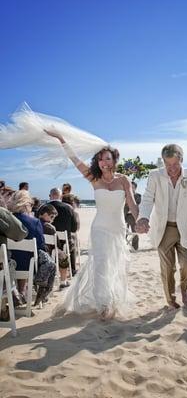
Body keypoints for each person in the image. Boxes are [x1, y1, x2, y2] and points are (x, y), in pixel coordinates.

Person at [45, 129, 138, 320]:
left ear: (114, 160)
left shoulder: (124, 180)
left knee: (115, 264)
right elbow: (75, 160)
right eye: (101, 159)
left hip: (118, 228)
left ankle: (112, 298)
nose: (104, 162)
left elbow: (131, 203)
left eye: (107, 159)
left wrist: (140, 220)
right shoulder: (93, 178)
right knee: (101, 264)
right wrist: (62, 139)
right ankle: (103, 305)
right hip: (100, 228)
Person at [136, 144, 187, 308]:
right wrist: (143, 218)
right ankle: (170, 299)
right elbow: (148, 199)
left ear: (181, 160)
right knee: (167, 267)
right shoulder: (155, 176)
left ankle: (184, 288)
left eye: (175, 164)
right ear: (163, 162)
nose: (171, 169)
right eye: (167, 164)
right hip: (163, 229)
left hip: (184, 228)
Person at [8, 190, 46, 299]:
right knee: (31, 255)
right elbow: (40, 246)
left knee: (18, 255)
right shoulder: (35, 222)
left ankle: (20, 291)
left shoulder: (6, 220)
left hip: (7, 264)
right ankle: (23, 291)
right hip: (28, 266)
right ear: (27, 204)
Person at [48, 188, 78, 279]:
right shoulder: (68, 208)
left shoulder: (43, 207)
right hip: (64, 243)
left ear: (50, 196)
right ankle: (72, 269)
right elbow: (74, 228)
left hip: (48, 244)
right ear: (61, 196)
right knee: (72, 243)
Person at [124, 181, 141, 250]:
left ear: (135, 188)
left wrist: (128, 204)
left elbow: (135, 204)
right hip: (124, 215)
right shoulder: (124, 195)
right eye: (130, 187)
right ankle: (122, 246)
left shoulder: (138, 196)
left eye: (133, 187)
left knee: (135, 232)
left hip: (132, 216)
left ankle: (135, 247)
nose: (131, 188)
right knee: (123, 232)